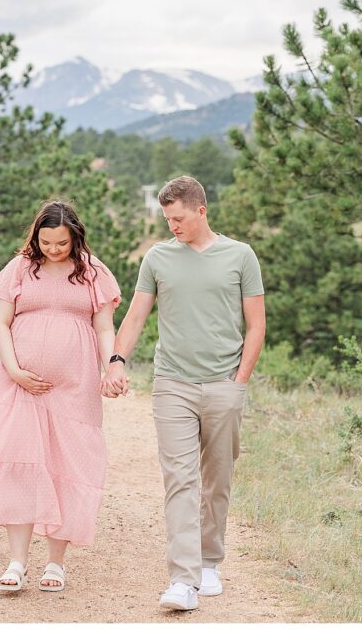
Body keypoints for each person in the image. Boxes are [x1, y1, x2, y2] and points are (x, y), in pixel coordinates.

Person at [101, 176, 265, 611]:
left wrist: (239, 382)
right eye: (167, 219)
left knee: (217, 479)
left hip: (223, 385)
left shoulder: (240, 256)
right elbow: (135, 317)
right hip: (171, 383)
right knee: (180, 479)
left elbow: (257, 325)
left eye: (179, 218)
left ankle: (210, 560)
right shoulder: (157, 258)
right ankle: (183, 579)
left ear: (201, 211)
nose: (172, 225)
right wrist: (116, 360)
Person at [0, 200, 122, 594]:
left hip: (74, 387)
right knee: (23, 464)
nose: (53, 249)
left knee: (68, 465)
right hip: (19, 383)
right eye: (46, 242)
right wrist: (14, 369)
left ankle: (56, 563)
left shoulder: (92, 272)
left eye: (61, 243)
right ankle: (17, 561)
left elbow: (104, 327)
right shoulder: (21, 267)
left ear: (75, 237)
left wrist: (113, 364)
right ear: (35, 237)